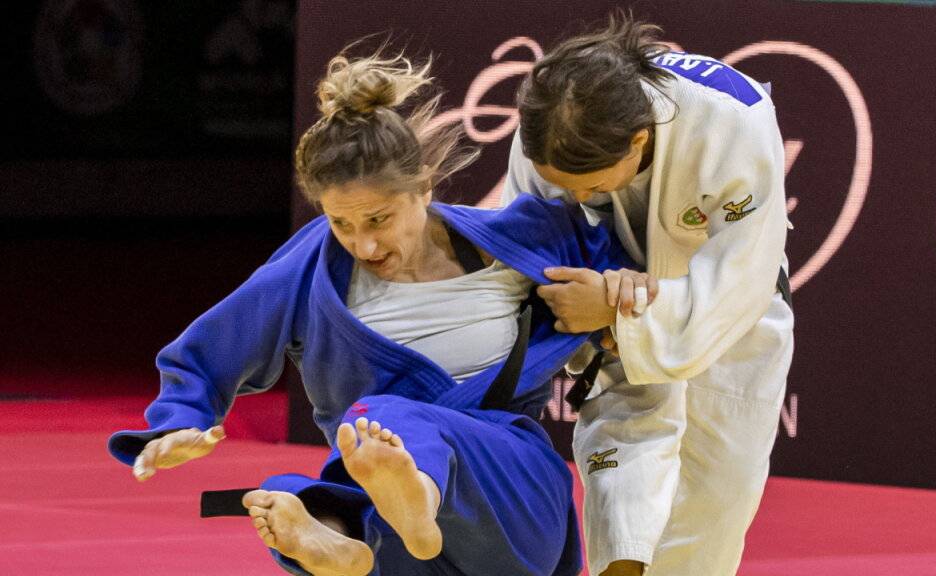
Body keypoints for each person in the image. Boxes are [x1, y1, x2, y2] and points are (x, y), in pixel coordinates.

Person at [107, 45, 643, 576]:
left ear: (424, 188)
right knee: (288, 497)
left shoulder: (523, 240)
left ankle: (409, 505)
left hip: (511, 507)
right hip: (404, 542)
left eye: (379, 219)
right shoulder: (313, 270)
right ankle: (345, 542)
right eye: (342, 223)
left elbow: (630, 270)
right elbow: (207, 353)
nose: (362, 245)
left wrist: (615, 296)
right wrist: (178, 423)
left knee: (382, 419)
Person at [502, 13, 794, 576]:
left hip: (721, 313)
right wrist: (595, 302)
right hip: (598, 303)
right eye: (564, 183)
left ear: (638, 141)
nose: (575, 194)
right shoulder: (543, 130)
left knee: (719, 490)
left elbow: (743, 273)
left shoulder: (733, 118)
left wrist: (628, 311)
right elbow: (528, 243)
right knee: (619, 474)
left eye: (590, 185)